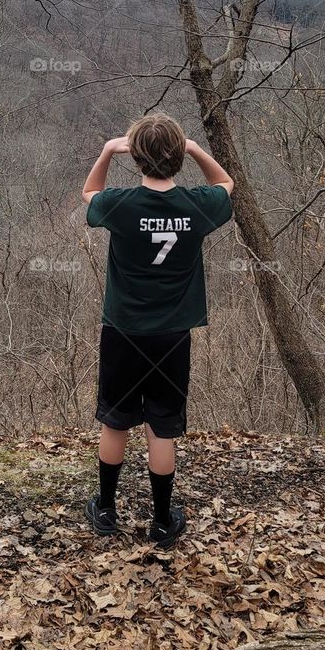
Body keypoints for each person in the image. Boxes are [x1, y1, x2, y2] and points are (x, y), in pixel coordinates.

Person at [82, 112, 234, 547]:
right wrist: (195, 148)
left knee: (115, 420)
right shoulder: (196, 206)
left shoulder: (122, 205)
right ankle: (163, 521)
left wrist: (109, 151)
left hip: (123, 331)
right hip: (172, 335)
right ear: (177, 157)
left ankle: (106, 510)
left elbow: (90, 192)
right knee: (161, 427)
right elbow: (227, 186)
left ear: (138, 157)